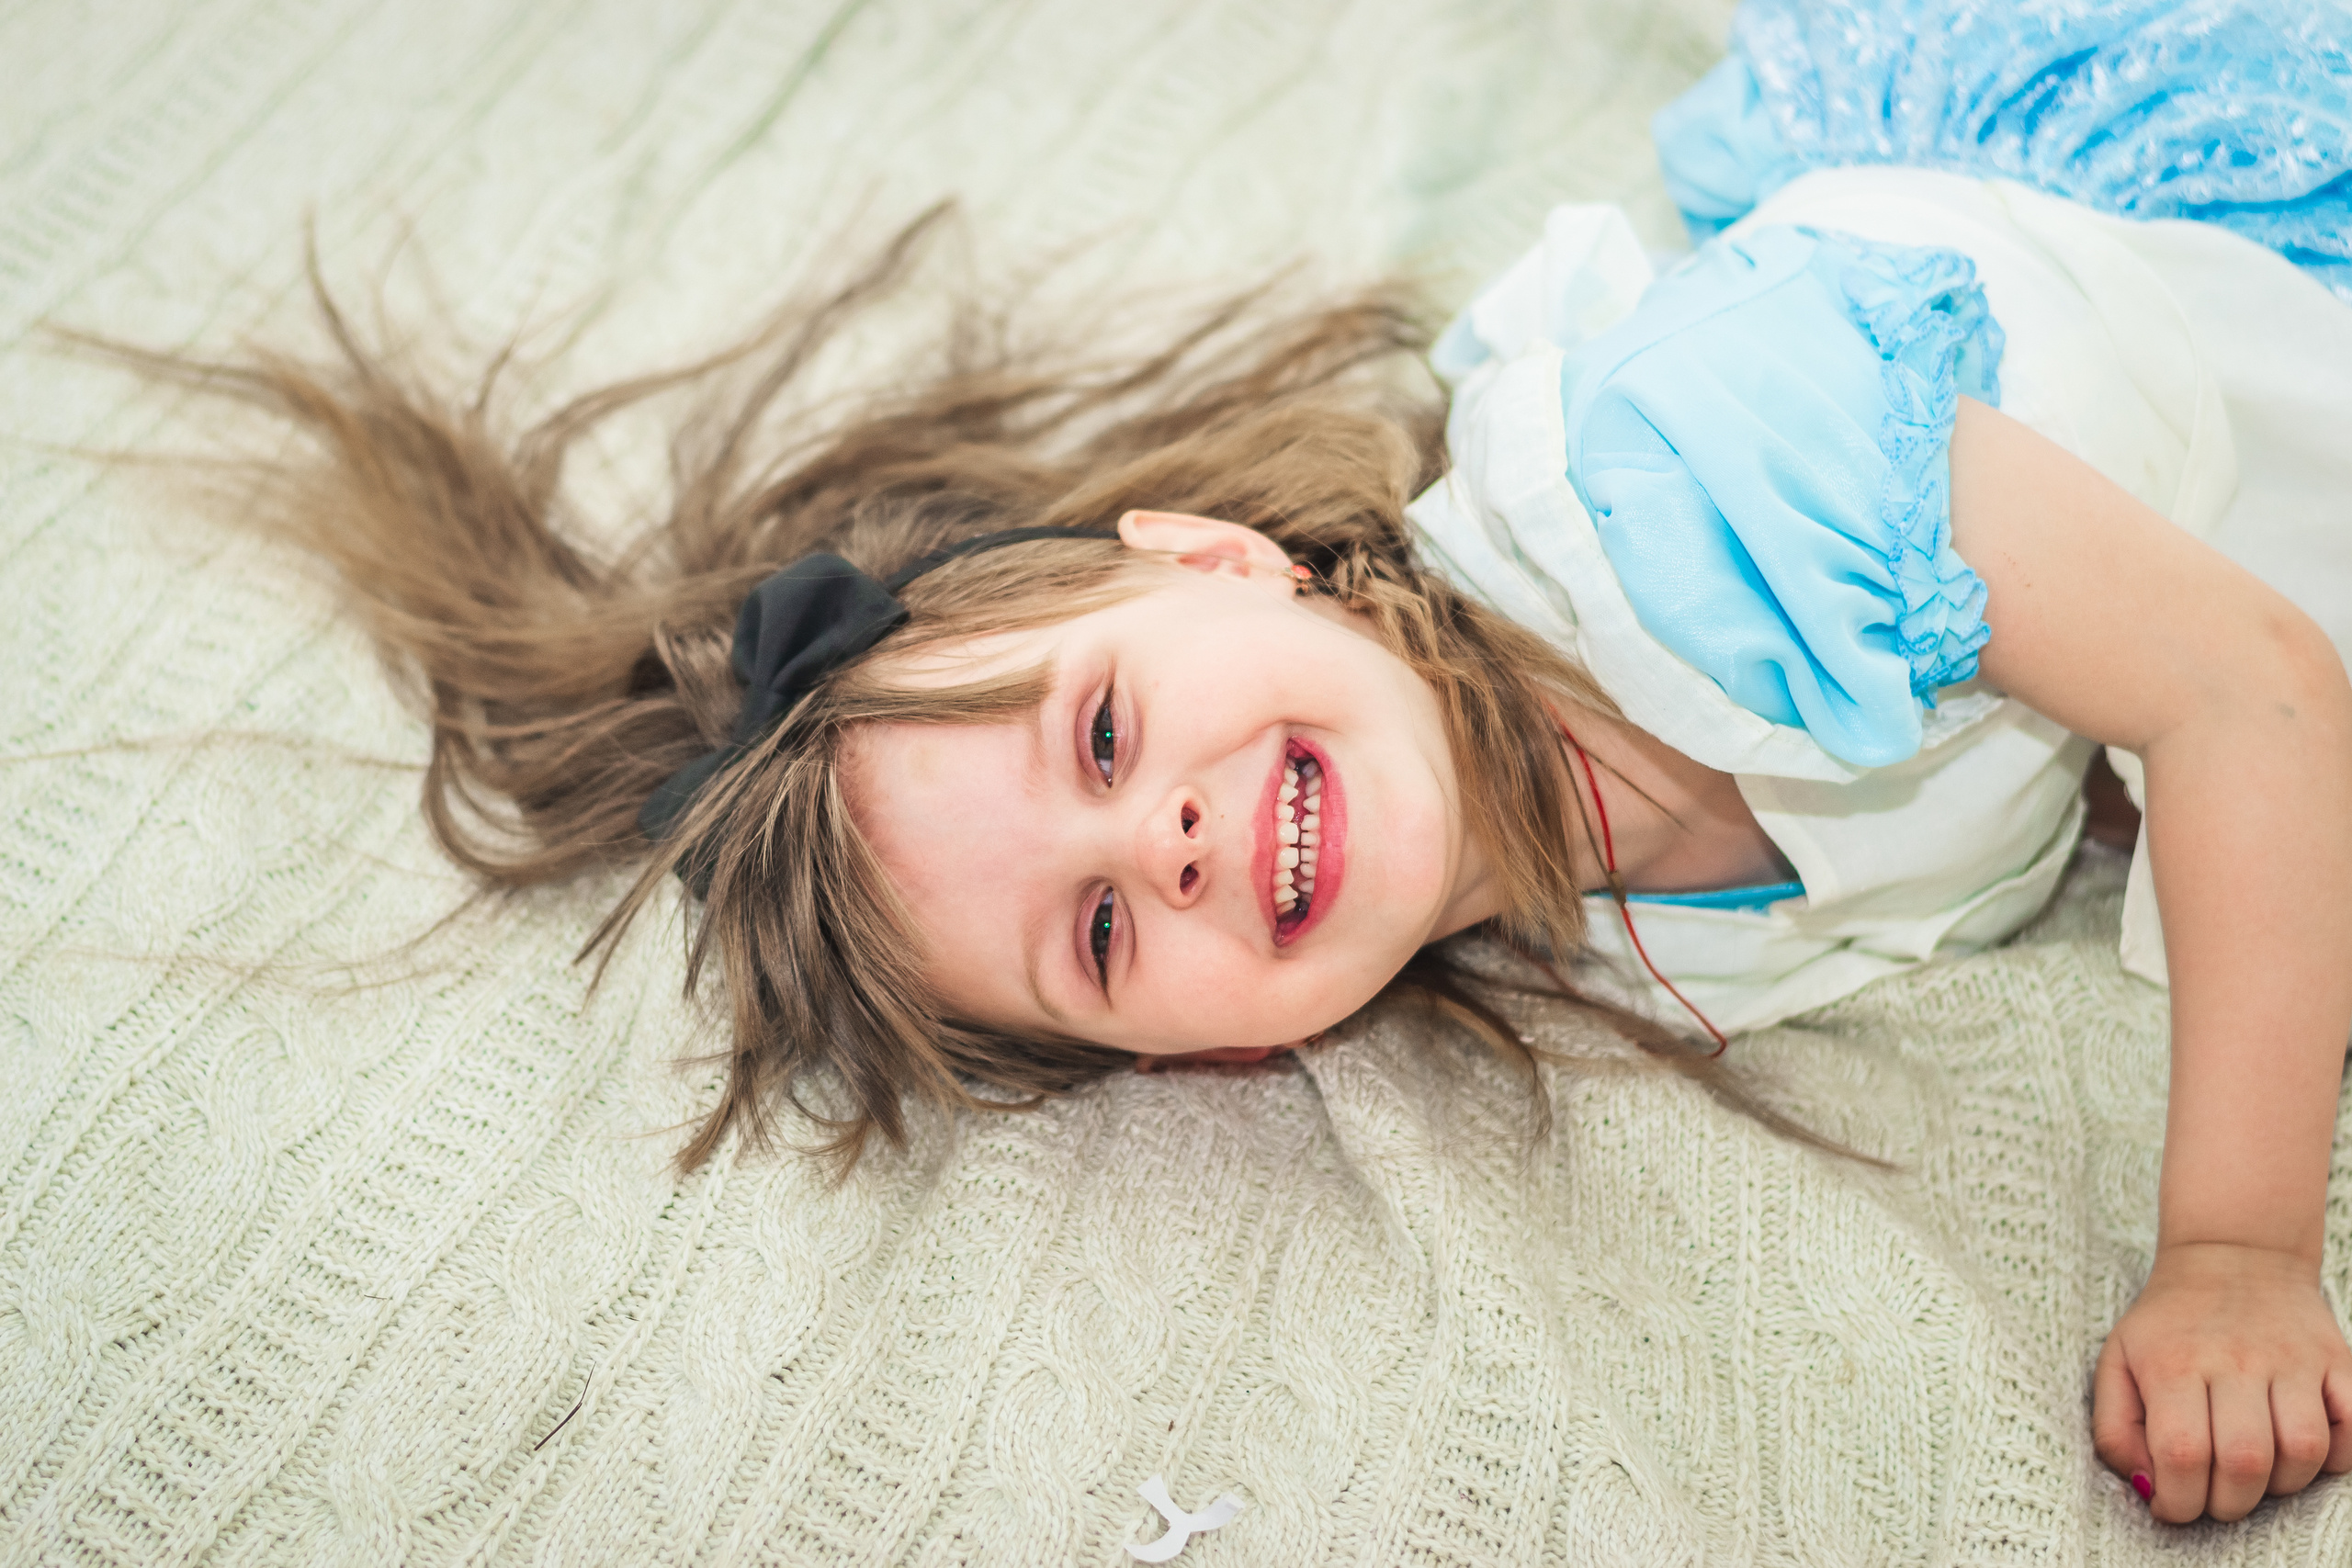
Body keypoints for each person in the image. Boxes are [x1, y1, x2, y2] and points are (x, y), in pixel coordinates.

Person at [130, 0, 2352, 1530]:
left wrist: (2234, 1244)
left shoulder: (1690, 483)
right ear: (1188, 1059)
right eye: (1096, 927)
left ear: (1221, 557)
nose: (1164, 834)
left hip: (2248, 234)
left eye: (1102, 726)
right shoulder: (1617, 921)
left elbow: (2247, 694)